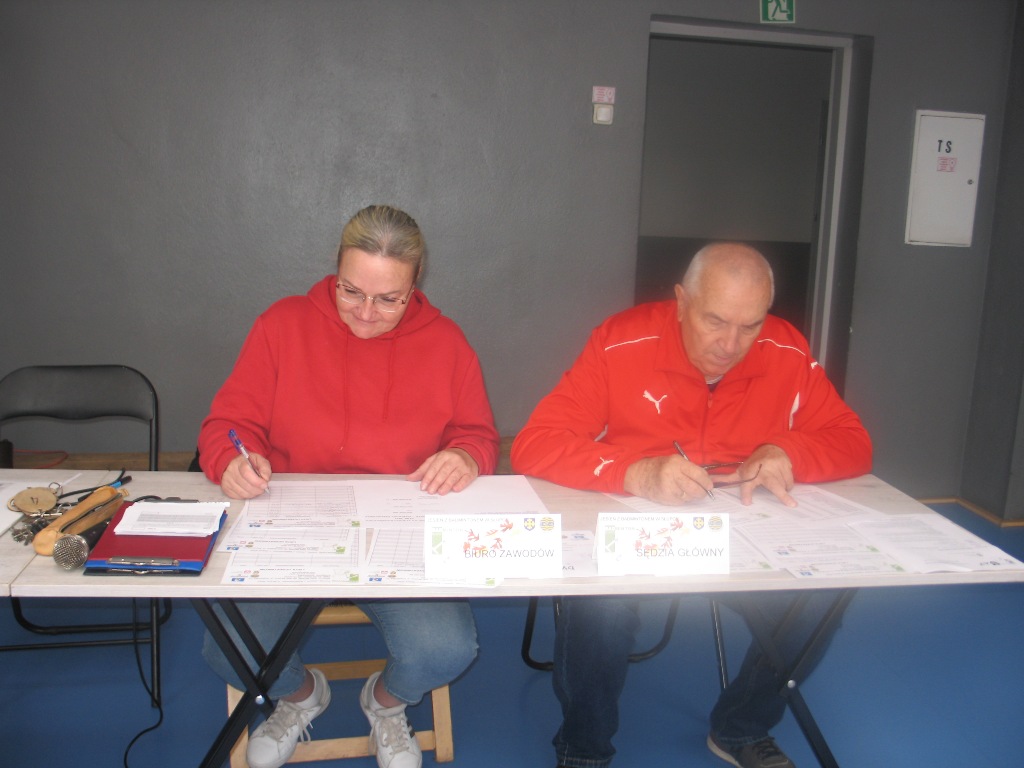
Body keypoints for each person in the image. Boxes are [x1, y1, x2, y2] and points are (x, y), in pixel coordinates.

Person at [511, 242, 871, 768]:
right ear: (681, 302)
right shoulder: (621, 341)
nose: (730, 344)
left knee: (822, 594)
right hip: (634, 529)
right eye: (715, 321)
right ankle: (584, 747)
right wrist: (634, 472)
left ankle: (741, 727)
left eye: (750, 326)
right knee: (600, 601)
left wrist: (788, 450)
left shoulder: (787, 349)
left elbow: (853, 442)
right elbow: (535, 443)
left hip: (744, 531)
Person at [197, 204, 499, 768]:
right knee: (227, 647)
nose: (364, 313)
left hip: (397, 530)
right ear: (334, 271)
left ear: (416, 285)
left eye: (388, 299)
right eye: (350, 291)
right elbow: (228, 425)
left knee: (447, 650)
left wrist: (465, 455)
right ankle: (299, 695)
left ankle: (385, 703)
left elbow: (477, 434)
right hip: (292, 523)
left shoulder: (447, 342)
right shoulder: (283, 325)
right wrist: (230, 460)